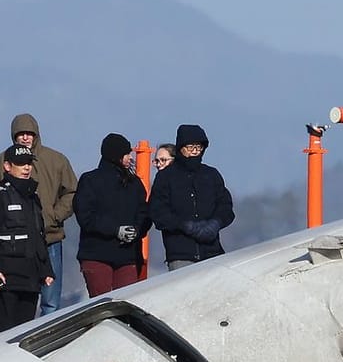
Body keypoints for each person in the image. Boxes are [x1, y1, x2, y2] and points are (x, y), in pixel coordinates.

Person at [0, 113, 77, 316]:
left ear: (36, 135)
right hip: (15, 246)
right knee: (20, 302)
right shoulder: (1, 162)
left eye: (29, 133)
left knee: (50, 302)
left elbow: (72, 192)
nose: (25, 137)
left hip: (50, 238)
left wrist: (53, 216)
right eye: (21, 134)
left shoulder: (56, 160)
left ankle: (49, 343)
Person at [0, 143, 55, 334]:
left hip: (29, 279)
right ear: (7, 166)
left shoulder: (32, 198)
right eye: (21, 163)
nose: (26, 167)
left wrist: (46, 270)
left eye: (29, 163)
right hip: (4, 280)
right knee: (3, 334)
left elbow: (38, 236)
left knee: (24, 334)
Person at [149, 124, 235, 270]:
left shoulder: (211, 175)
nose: (195, 152)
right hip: (180, 255)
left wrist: (215, 224)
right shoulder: (165, 177)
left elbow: (225, 206)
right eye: (190, 148)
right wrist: (184, 226)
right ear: (181, 148)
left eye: (199, 147)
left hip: (212, 252)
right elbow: (158, 213)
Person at [74, 133, 151, 295]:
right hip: (97, 254)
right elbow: (86, 217)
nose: (130, 157)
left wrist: (137, 230)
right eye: (126, 154)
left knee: (126, 302)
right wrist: (116, 230)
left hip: (128, 255)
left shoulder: (134, 183)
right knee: (102, 304)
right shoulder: (90, 180)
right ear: (116, 156)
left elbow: (144, 212)